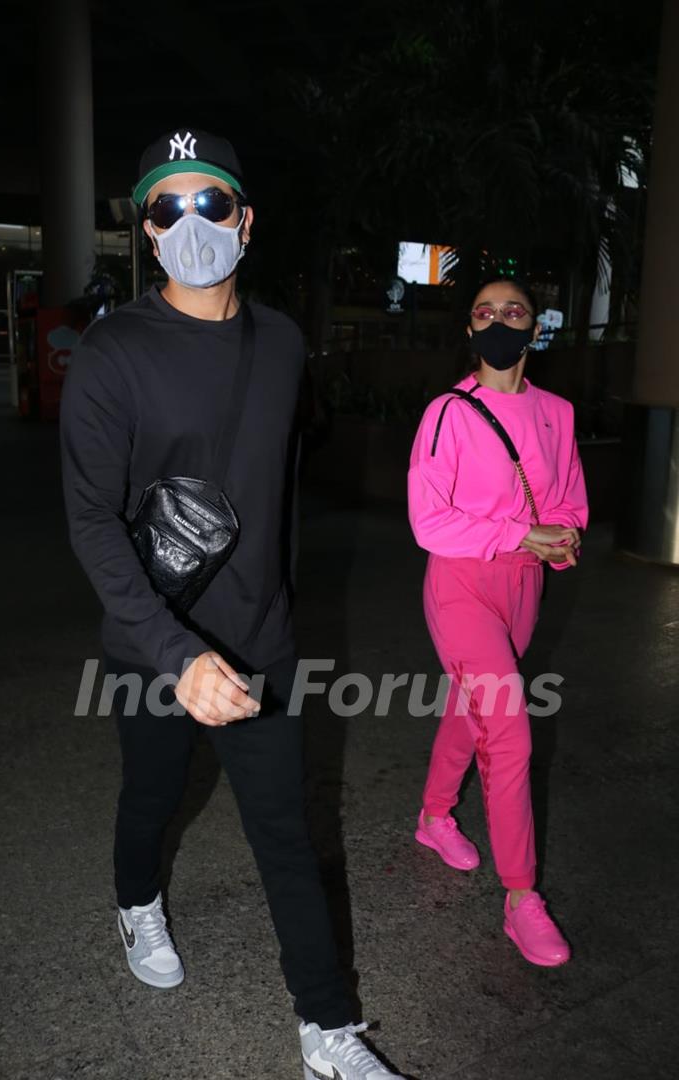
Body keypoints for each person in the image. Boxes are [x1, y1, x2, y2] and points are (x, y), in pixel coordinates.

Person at [60, 127, 406, 1080]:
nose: (192, 223)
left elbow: (275, 489)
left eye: (211, 202)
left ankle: (327, 1032)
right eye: (168, 208)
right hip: (152, 645)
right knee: (153, 796)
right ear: (146, 230)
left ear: (246, 222)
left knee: (286, 831)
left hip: (260, 641)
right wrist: (175, 655)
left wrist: (273, 622)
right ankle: (137, 902)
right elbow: (92, 522)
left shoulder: (285, 342)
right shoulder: (112, 353)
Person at [408, 278, 588, 967]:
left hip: (524, 590)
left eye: (513, 311)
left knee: (469, 708)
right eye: (484, 312)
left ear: (535, 327)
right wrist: (522, 533)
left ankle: (433, 817)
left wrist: (561, 534)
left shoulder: (558, 413)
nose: (499, 321)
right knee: (508, 727)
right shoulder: (448, 413)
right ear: (470, 330)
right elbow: (429, 521)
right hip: (459, 584)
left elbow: (570, 499)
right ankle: (521, 898)